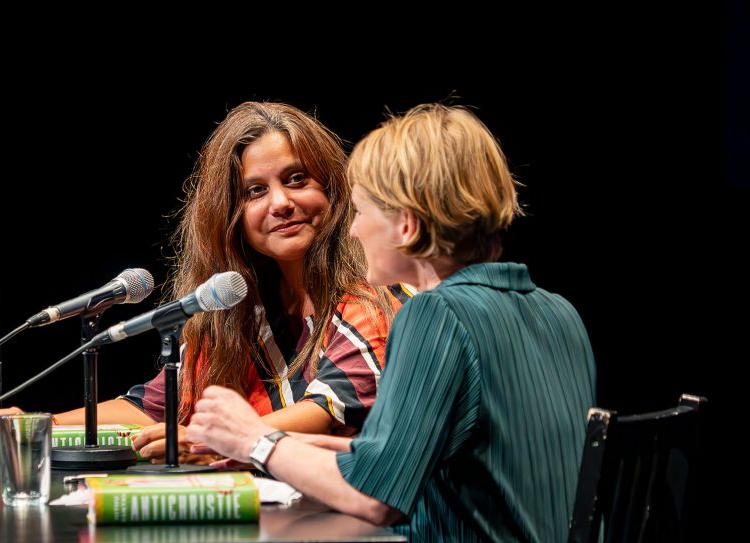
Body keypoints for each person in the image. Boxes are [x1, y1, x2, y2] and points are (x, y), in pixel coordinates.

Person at [187, 103, 597, 541]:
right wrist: (281, 447)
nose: (352, 232)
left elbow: (375, 497)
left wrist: (255, 439)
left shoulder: (435, 315)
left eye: (361, 212)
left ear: (406, 225)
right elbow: (409, 456)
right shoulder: (559, 311)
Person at [49, 102, 405, 463]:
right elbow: (154, 408)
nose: (280, 203)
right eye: (255, 191)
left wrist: (210, 443)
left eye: (296, 179)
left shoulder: (372, 297)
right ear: (229, 217)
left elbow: (326, 412)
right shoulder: (238, 313)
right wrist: (41, 425)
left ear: (332, 188)